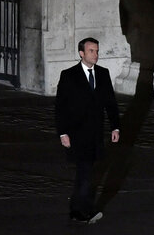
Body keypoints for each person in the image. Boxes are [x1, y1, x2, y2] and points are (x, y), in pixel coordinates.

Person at [55, 37, 120, 224]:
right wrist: (63, 132)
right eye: (91, 51)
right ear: (81, 53)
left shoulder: (103, 73)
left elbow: (110, 103)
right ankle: (84, 211)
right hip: (77, 133)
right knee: (85, 172)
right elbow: (61, 106)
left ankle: (76, 210)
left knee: (85, 172)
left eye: (97, 51)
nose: (96, 54)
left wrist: (115, 126)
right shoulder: (69, 75)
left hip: (95, 133)